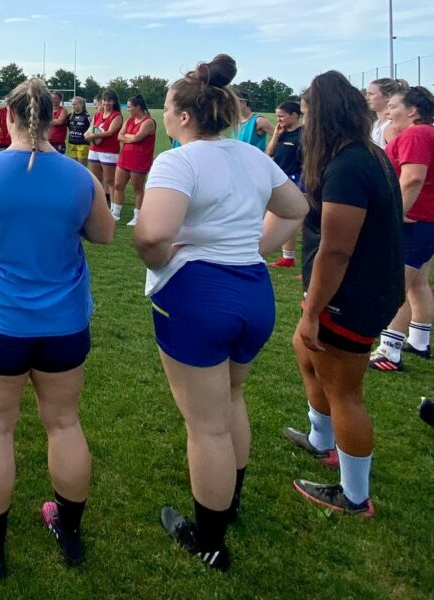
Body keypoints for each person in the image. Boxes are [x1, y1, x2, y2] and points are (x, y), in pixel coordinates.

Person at [0, 77, 115, 579]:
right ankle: (69, 531)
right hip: (62, 324)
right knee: (64, 423)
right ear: (55, 117)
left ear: (6, 117)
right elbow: (104, 234)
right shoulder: (79, 177)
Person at [133, 54, 308, 572]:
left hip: (199, 296)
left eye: (168, 108)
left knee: (206, 425)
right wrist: (254, 249)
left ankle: (209, 540)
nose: (166, 116)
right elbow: (296, 208)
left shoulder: (178, 161)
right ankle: (227, 504)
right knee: (231, 398)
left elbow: (152, 235)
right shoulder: (252, 156)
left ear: (185, 116)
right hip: (253, 293)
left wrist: (164, 264)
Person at [284, 72, 404, 518]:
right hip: (359, 289)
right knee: (305, 351)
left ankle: (354, 496)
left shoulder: (350, 165)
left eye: (308, 110)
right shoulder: (362, 155)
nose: (305, 119)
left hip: (351, 295)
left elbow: (336, 250)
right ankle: (321, 439)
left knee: (344, 391)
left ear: (324, 114)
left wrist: (312, 310)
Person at [369, 86, 434, 372]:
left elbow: (412, 178)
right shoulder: (425, 133)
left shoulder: (416, 134)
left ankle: (389, 351)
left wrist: (396, 213)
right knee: (418, 283)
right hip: (425, 222)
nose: (388, 112)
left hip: (414, 223)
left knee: (396, 284)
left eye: (393, 107)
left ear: (412, 111)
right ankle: (419, 340)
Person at [266, 101, 305, 269]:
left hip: (297, 180)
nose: (278, 119)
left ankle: (297, 259)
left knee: (297, 220)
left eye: (281, 116)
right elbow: (270, 152)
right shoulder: (282, 132)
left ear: (294, 115)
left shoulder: (304, 134)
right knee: (284, 217)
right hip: (280, 179)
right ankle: (288, 258)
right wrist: (276, 136)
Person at [114, 94, 156, 227]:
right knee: (118, 185)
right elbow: (119, 136)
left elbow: (137, 138)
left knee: (138, 189)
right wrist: (130, 137)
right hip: (124, 158)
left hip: (139, 160)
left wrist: (127, 136)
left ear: (138, 107)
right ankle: (115, 213)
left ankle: (138, 217)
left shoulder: (148, 122)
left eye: (129, 107)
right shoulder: (129, 120)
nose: (127, 109)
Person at [85, 90, 122, 218]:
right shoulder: (97, 115)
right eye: (105, 100)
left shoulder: (116, 115)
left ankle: (114, 208)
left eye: (109, 100)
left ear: (114, 102)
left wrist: (93, 136)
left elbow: (110, 132)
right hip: (94, 150)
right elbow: (90, 128)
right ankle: (99, 206)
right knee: (96, 180)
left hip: (109, 151)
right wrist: (87, 134)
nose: (106, 103)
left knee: (110, 180)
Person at [367, 78, 409, 148]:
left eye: (371, 94)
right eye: (367, 94)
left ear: (387, 96)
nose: (367, 98)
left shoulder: (391, 127)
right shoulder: (376, 124)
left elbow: (398, 152)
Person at [66, 96, 91, 166]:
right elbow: (69, 127)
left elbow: (90, 129)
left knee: (82, 167)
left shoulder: (87, 117)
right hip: (71, 143)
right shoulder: (69, 116)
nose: (73, 106)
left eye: (75, 104)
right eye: (72, 104)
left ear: (81, 104)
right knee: (74, 166)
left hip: (83, 144)